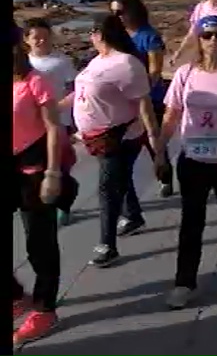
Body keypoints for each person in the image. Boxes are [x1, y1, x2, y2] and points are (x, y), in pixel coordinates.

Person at [156, 16, 217, 309]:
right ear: (197, 39)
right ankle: (185, 283)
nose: (213, 41)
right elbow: (171, 115)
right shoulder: (185, 74)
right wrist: (159, 151)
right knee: (191, 222)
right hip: (193, 159)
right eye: (207, 35)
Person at [67, 14, 161, 267]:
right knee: (119, 179)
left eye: (92, 32)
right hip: (95, 137)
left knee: (108, 187)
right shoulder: (97, 60)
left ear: (100, 34)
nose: (90, 38)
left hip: (120, 136)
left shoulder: (127, 64)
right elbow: (82, 91)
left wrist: (155, 143)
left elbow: (144, 104)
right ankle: (133, 215)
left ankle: (107, 244)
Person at [13, 22, 67, 345]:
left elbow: (52, 128)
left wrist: (53, 173)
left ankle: (45, 308)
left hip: (34, 166)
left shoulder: (35, 80)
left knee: (39, 242)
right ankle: (16, 295)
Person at [109, 0, 173, 197]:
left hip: (150, 98)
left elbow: (155, 70)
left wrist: (140, 89)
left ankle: (165, 177)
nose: (117, 17)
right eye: (113, 13)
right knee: (125, 149)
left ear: (132, 11)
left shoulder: (149, 36)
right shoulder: (117, 37)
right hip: (123, 101)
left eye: (121, 12)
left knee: (154, 142)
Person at [23, 18, 79, 225]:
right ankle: (44, 202)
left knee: (61, 165)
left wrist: (62, 108)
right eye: (36, 38)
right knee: (39, 166)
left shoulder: (62, 61)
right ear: (26, 39)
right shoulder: (23, 63)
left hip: (59, 120)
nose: (41, 42)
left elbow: (75, 89)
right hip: (31, 124)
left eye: (45, 37)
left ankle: (63, 205)